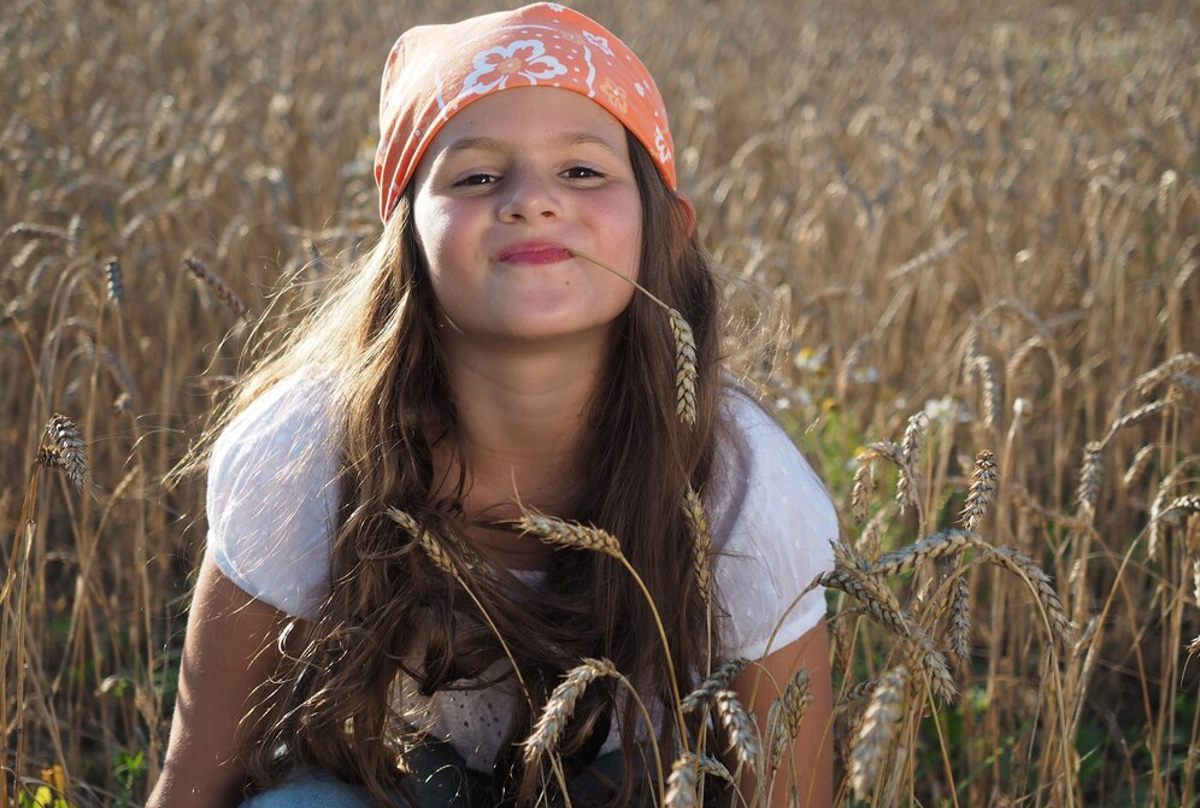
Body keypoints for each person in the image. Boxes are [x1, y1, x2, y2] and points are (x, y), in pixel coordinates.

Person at [147, 4, 837, 807]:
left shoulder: (745, 488)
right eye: (476, 176)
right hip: (397, 780)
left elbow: (792, 793)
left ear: (668, 231)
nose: (530, 200)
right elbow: (192, 786)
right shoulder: (303, 451)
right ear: (405, 239)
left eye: (582, 171)